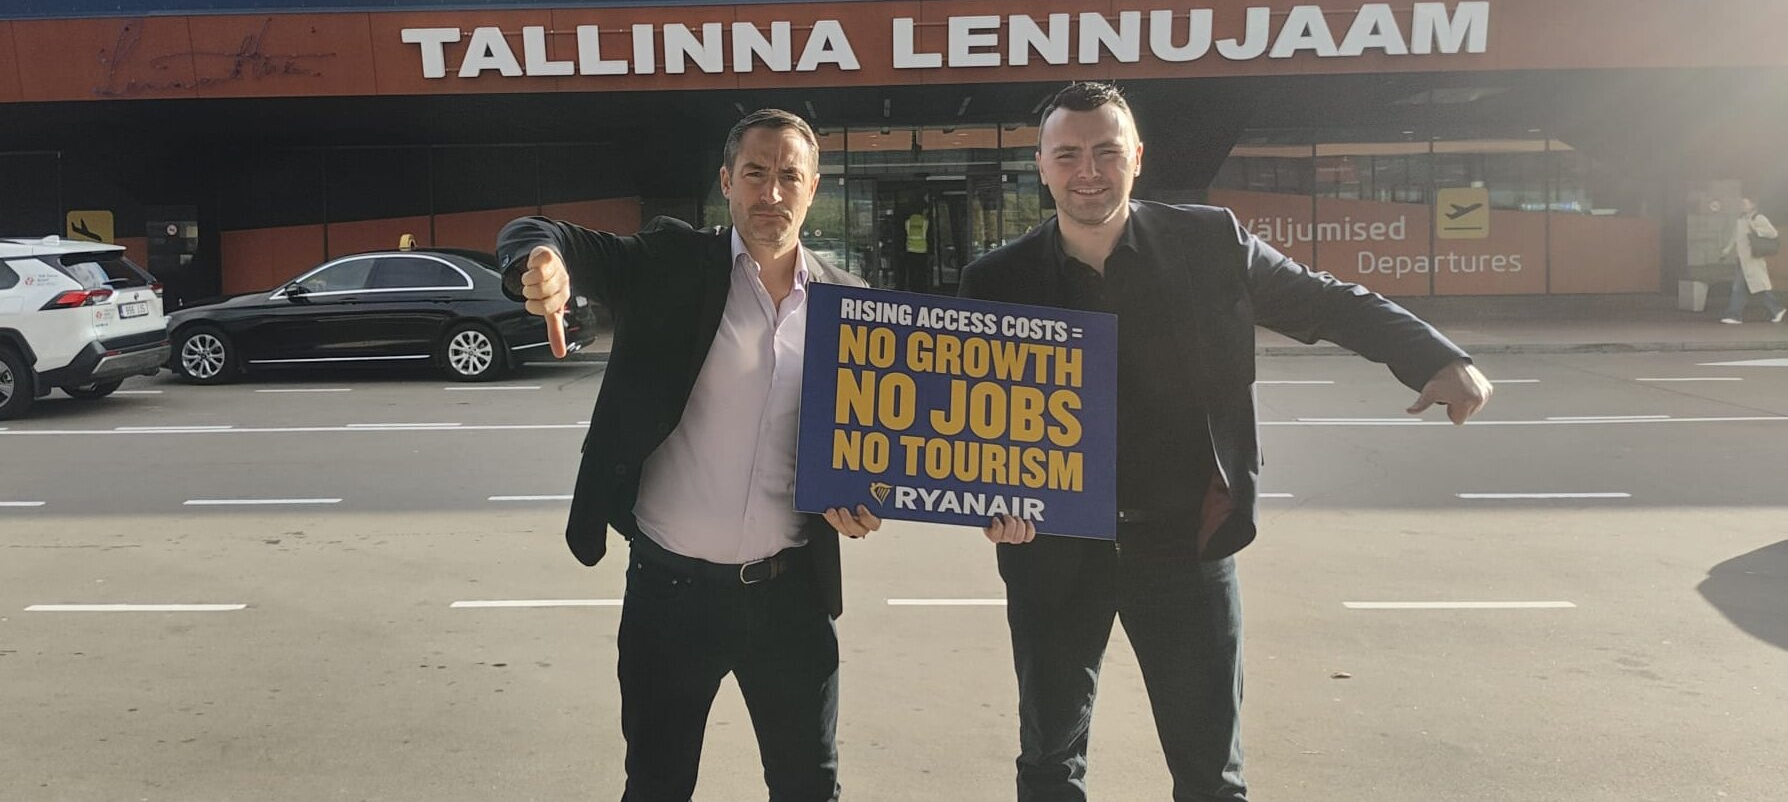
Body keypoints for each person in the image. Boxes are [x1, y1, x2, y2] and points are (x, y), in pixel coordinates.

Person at [958, 82, 1493, 802]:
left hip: (1185, 545)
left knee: (1211, 774)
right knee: (1049, 765)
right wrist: (988, 501)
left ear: (1136, 157)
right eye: (1069, 155)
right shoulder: (995, 281)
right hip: (1053, 551)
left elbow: (1325, 301)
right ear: (1042, 165)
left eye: (1107, 152)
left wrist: (1434, 356)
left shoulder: (1208, 243)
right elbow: (969, 423)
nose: (1089, 170)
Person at [496, 108, 881, 802]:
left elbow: (868, 449)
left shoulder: (850, 305)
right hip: (669, 596)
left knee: (810, 787)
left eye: (789, 176)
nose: (771, 193)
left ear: (813, 187)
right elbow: (539, 232)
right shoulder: (669, 262)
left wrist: (861, 504)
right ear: (726, 181)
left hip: (791, 597)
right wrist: (541, 264)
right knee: (657, 784)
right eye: (755, 173)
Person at [1718, 196, 1784, 324]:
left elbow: (1773, 233)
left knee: (1746, 288)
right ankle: (1776, 310)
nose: (1742, 206)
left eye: (1744, 203)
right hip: (1742, 260)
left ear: (1753, 205)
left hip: (1753, 259)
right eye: (1741, 203)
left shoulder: (1758, 218)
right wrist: (1726, 251)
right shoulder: (1741, 219)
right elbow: (1735, 237)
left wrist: (1755, 229)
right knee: (1751, 288)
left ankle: (1734, 315)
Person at [905, 201, 932, 293]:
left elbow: (907, 233)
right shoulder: (925, 222)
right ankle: (921, 291)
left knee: (912, 273)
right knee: (922, 274)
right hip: (922, 250)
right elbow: (927, 235)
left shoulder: (908, 222)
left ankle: (913, 290)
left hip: (910, 250)